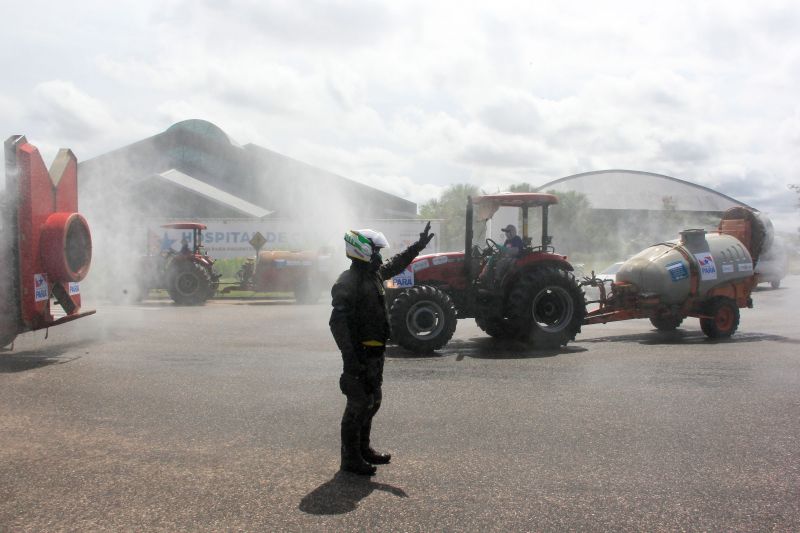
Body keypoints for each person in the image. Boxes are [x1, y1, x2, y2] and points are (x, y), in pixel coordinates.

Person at [329, 222, 435, 475]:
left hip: (375, 353)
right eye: (376, 251)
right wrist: (351, 360)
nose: (380, 256)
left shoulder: (371, 274)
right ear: (362, 251)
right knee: (358, 404)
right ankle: (350, 459)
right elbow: (338, 324)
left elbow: (396, 264)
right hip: (360, 354)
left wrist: (417, 247)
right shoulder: (348, 281)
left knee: (373, 402)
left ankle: (364, 449)